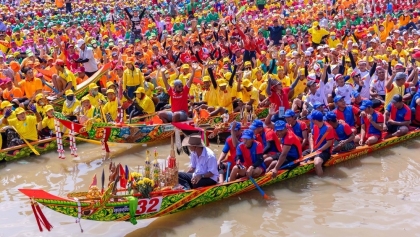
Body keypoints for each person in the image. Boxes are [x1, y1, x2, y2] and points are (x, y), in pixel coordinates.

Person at [303, 110, 334, 176]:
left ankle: (321, 178)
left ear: (315, 120)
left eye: (311, 119)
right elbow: (311, 138)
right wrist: (312, 151)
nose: (311, 120)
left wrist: (318, 151)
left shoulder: (328, 128)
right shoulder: (315, 126)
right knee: (301, 156)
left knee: (317, 163)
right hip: (315, 149)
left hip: (325, 151)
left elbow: (329, 143)